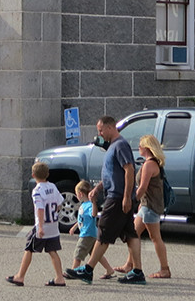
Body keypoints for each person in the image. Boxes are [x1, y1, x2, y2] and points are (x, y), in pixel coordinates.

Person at [65, 116, 145, 285]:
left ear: (110, 127)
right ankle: (137, 271)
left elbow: (129, 170)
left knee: (103, 232)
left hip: (117, 197)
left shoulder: (120, 145)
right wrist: (98, 188)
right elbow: (111, 173)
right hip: (115, 194)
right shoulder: (113, 146)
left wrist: (126, 197)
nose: (99, 134)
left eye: (101, 130)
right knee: (130, 234)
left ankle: (88, 270)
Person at [7, 161, 66, 287]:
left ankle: (20, 276)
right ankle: (60, 277)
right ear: (48, 174)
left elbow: (40, 208)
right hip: (53, 226)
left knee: (29, 249)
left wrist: (40, 226)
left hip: (42, 226)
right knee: (52, 251)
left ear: (33, 175)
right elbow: (60, 203)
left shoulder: (37, 191)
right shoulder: (53, 187)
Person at [133, 134, 171, 278]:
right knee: (133, 234)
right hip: (145, 206)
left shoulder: (149, 164)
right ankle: (130, 264)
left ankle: (165, 269)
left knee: (155, 237)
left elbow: (143, 187)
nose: (138, 148)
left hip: (150, 207)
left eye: (140, 146)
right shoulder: (153, 163)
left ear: (146, 148)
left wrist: (132, 200)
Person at [68, 180, 114, 278]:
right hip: (92, 233)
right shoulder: (84, 205)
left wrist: (94, 203)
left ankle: (73, 271)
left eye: (76, 194)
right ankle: (109, 269)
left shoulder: (89, 205)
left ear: (80, 194)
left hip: (87, 234)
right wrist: (74, 227)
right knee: (96, 254)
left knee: (78, 252)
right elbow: (82, 219)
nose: (76, 196)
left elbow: (93, 214)